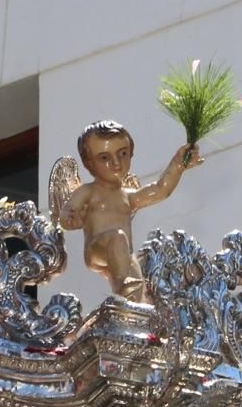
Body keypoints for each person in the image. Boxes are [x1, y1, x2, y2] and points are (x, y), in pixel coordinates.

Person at [52, 119, 201, 303]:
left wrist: (178, 165)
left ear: (131, 154)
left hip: (123, 254)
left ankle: (132, 309)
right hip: (97, 249)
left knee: (137, 284)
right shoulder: (88, 192)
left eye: (122, 154)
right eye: (104, 158)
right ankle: (126, 295)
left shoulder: (128, 196)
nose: (116, 163)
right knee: (117, 239)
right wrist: (70, 219)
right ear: (88, 163)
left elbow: (160, 189)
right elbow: (66, 214)